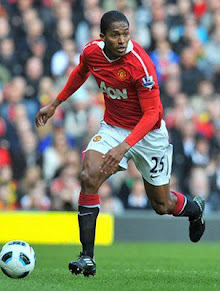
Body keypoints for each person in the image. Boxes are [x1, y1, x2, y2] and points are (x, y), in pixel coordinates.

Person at [35, 11, 205, 277]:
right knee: (88, 175)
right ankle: (87, 257)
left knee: (161, 205)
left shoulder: (141, 64)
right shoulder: (92, 52)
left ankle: (194, 210)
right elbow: (81, 71)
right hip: (114, 127)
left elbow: (151, 115)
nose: (122, 39)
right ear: (103, 37)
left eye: (126, 33)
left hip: (149, 135)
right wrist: (55, 103)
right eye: (116, 35)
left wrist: (124, 147)